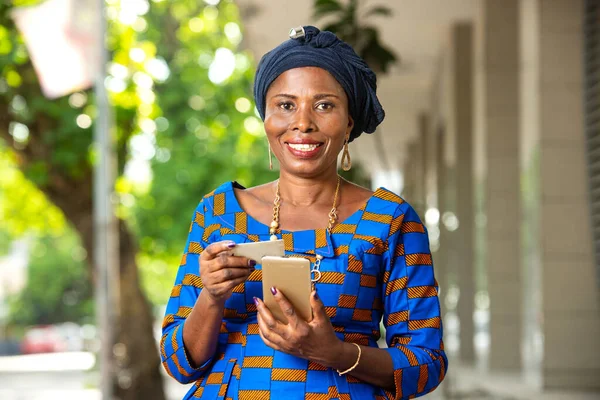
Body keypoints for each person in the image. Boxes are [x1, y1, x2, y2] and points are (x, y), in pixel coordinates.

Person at [160, 25, 447, 400]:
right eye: (285, 105)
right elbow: (179, 364)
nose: (302, 122)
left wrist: (333, 353)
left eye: (324, 105)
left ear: (348, 122)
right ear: (266, 119)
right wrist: (211, 297)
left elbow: (425, 363)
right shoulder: (219, 213)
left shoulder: (390, 219)